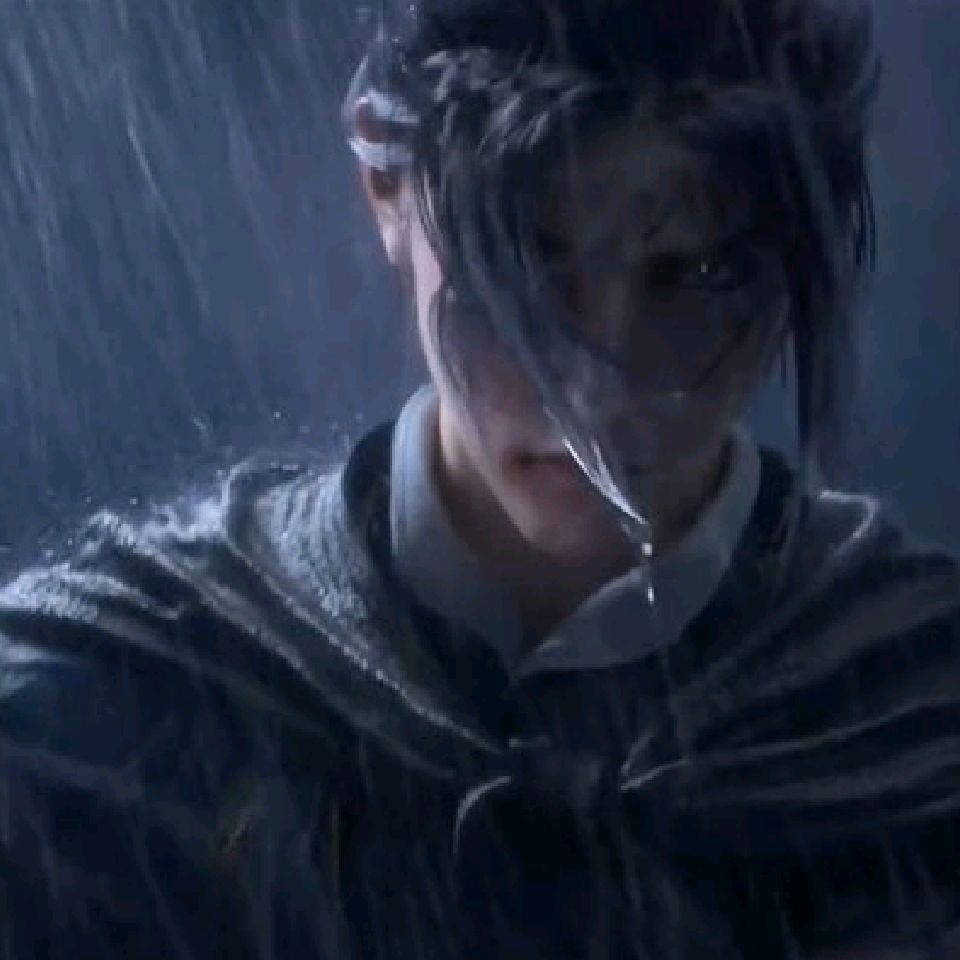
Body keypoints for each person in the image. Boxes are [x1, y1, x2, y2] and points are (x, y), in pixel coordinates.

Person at [1, 0, 959, 957]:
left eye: (699, 275)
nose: (598, 387)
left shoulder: (921, 712)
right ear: (386, 185)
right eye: (525, 264)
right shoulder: (101, 703)